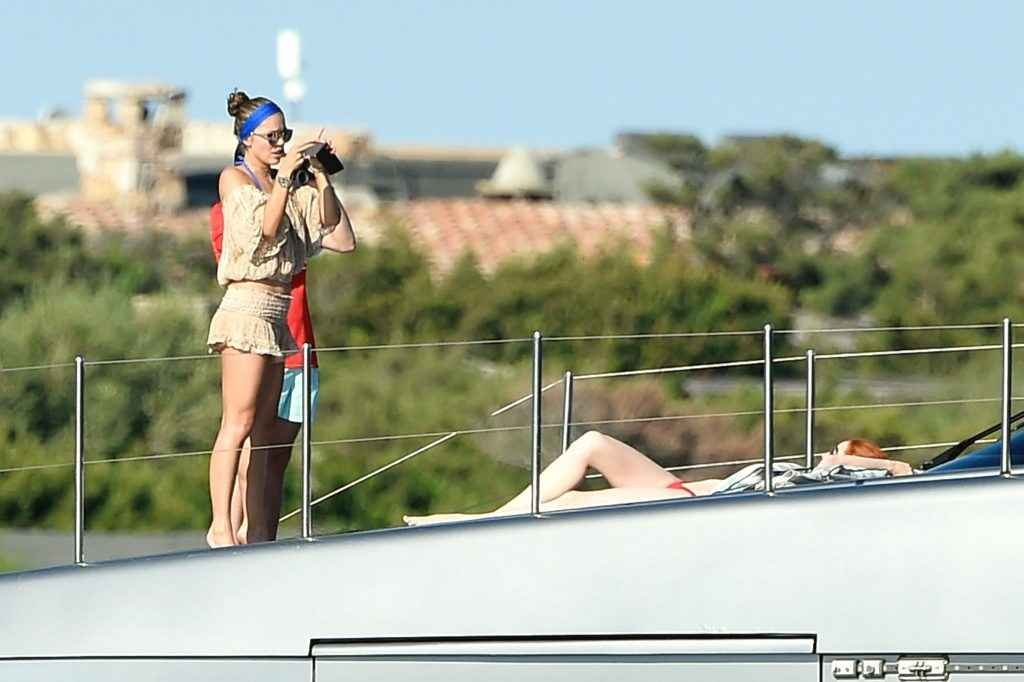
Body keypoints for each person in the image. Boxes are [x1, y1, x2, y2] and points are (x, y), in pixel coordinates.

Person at [206, 89, 350, 547]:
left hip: (276, 316)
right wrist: (286, 179)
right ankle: (222, 528)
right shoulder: (236, 180)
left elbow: (336, 232)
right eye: (271, 136)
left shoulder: (282, 186)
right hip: (246, 309)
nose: (280, 144)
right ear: (247, 140)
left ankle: (257, 537)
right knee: (239, 423)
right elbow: (265, 231)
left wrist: (323, 177)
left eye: (284, 135)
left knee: (264, 438)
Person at [403, 432, 912, 526]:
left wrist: (853, 461)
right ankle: (491, 518)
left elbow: (904, 472)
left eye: (839, 454)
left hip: (689, 503)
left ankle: (473, 524)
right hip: (684, 488)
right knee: (592, 443)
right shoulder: (804, 473)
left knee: (571, 505)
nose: (826, 455)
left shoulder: (829, 483)